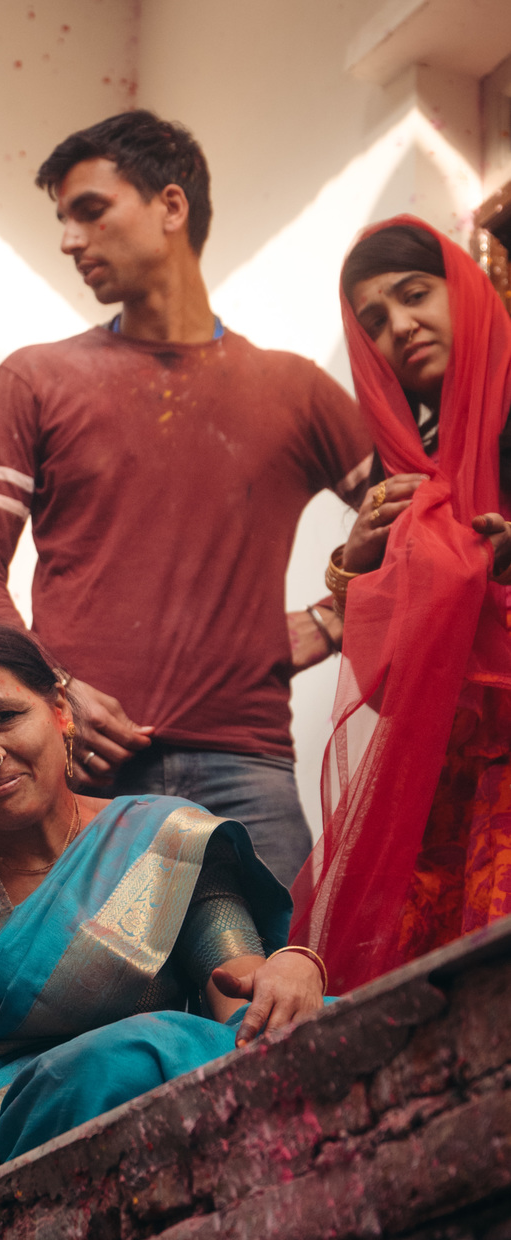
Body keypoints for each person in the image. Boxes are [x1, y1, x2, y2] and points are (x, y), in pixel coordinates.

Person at [0, 109, 375, 889]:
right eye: (62, 221)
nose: (70, 240)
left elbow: (420, 525)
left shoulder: (298, 391)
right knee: (90, 1012)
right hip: (83, 776)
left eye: (90, 211)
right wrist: (54, 689)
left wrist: (332, 614)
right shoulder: (34, 378)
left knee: (287, 1000)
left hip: (248, 767)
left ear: (170, 207)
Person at [0, 622, 325, 1219]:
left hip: (144, 1072)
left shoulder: (161, 836)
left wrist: (292, 969)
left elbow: (239, 993)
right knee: (113, 1065)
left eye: (5, 717)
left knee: (158, 1055)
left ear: (60, 710)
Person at [290, 217, 511, 991]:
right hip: (455, 779)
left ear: (465, 288)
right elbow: (387, 676)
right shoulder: (411, 464)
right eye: (373, 322)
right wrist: (359, 566)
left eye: (414, 296)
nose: (399, 329)